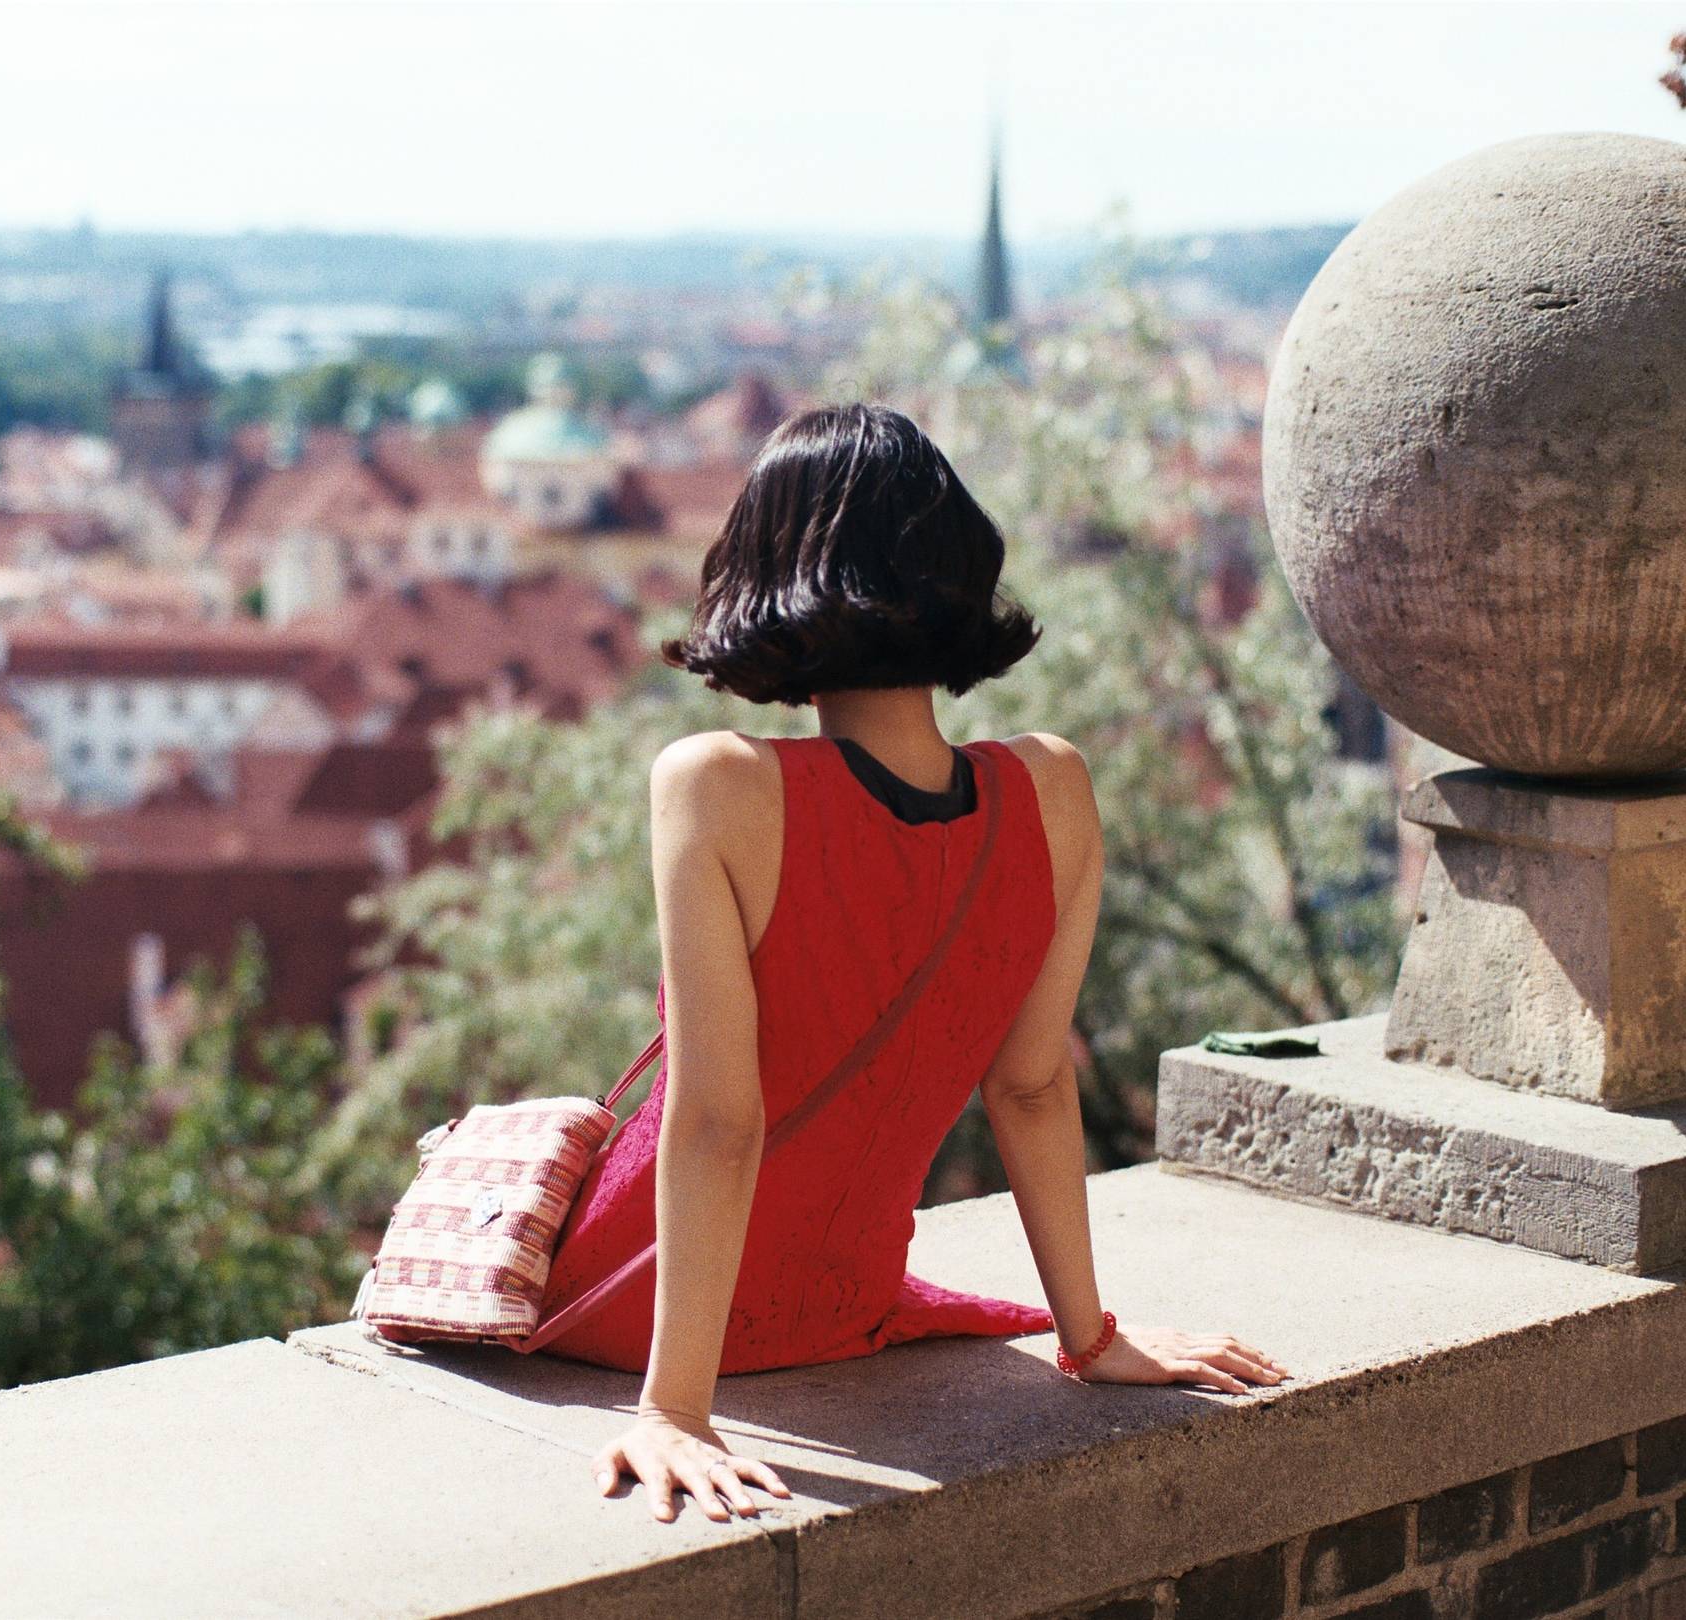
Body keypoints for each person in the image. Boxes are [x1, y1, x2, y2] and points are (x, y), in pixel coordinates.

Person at [532, 402, 1292, 1525]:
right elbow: (1031, 1085)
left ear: (764, 576)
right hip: (846, 1310)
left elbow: (719, 1121)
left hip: (632, 1299)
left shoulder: (718, 786)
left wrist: (675, 1412)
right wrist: (1089, 1339)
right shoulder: (1051, 787)